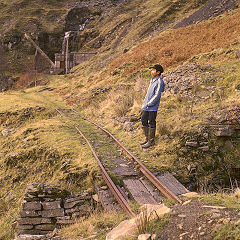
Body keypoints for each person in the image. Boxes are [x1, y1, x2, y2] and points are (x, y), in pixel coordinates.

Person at [140, 64, 165, 148]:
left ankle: (151, 141)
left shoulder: (159, 82)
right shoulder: (152, 80)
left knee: (151, 122)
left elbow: (157, 95)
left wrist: (149, 103)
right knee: (143, 119)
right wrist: (145, 103)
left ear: (158, 72)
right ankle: (147, 138)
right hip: (147, 106)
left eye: (153, 70)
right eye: (152, 70)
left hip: (152, 107)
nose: (152, 71)